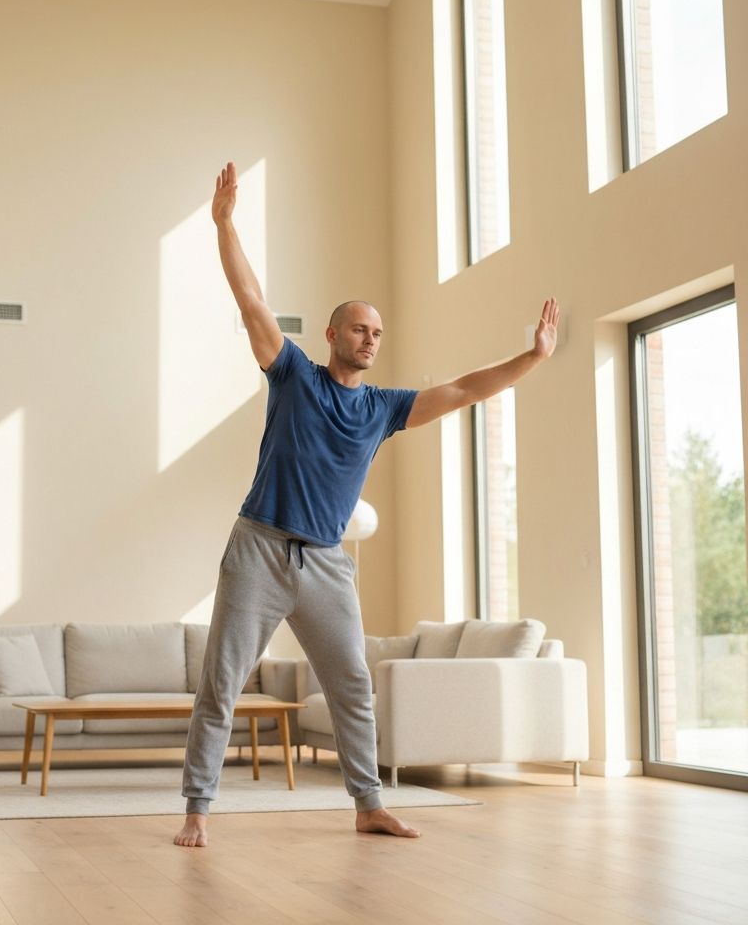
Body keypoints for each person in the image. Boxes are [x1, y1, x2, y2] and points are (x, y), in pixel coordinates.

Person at [173, 162, 561, 847]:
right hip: (259, 549)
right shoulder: (293, 375)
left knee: (353, 685)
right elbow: (252, 303)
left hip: (325, 564)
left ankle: (368, 805)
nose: (370, 339)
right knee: (222, 686)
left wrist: (531, 359)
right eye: (358, 329)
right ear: (331, 336)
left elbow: (467, 388)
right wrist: (225, 224)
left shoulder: (385, 409)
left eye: (377, 333)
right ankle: (198, 811)